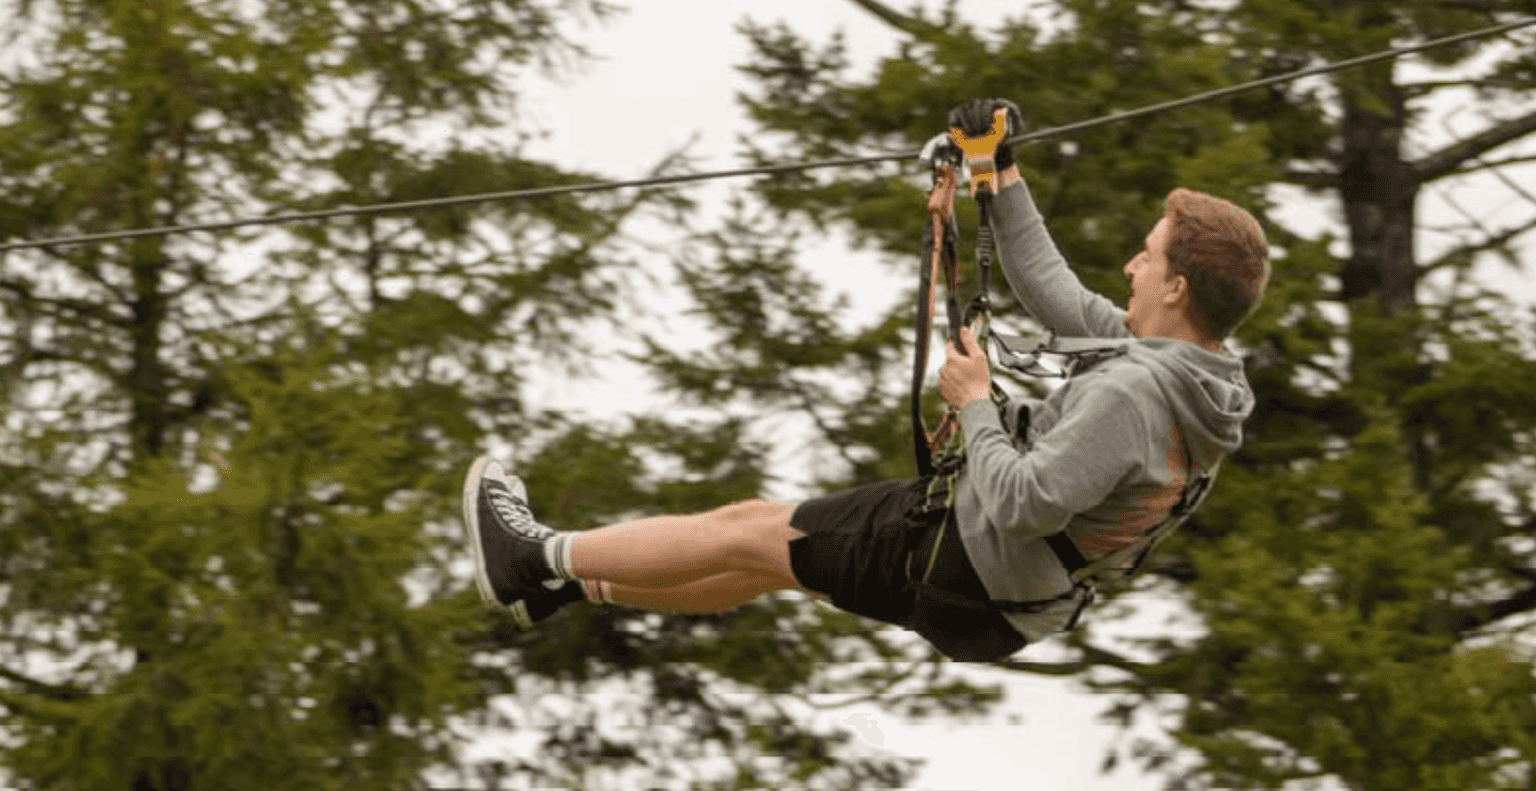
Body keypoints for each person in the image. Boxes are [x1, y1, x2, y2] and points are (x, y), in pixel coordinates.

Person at [461, 99, 1268, 661]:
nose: (1129, 266)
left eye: (1147, 256)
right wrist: (999, 170)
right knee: (763, 558)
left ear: (1176, 288)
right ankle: (570, 586)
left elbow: (1027, 503)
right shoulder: (1191, 379)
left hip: (967, 560)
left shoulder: (1134, 395)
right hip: (1001, 601)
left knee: (748, 530)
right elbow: (1050, 289)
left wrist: (975, 403)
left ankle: (533, 556)